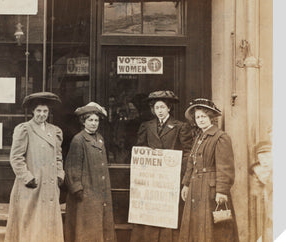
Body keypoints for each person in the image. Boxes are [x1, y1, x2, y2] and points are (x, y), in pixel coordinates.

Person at [130, 90, 193, 242]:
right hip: (152, 180)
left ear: (169, 108)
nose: (159, 111)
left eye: (163, 107)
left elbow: (187, 152)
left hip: (170, 178)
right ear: (153, 109)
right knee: (152, 212)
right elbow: (140, 147)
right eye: (157, 108)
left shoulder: (180, 126)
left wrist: (179, 171)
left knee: (168, 214)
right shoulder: (146, 126)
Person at [4, 91, 65, 242]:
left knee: (49, 225)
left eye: (45, 111)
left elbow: (58, 157)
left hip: (50, 186)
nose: (42, 114)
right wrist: (28, 178)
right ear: (32, 111)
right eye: (38, 111)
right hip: (32, 185)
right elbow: (16, 158)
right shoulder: (25, 129)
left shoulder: (54, 131)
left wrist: (59, 174)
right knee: (31, 224)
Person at [179, 98, 239, 242]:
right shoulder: (199, 137)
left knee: (211, 230)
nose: (200, 120)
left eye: (203, 116)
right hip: (195, 188)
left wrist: (222, 191)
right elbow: (191, 164)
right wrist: (186, 184)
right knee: (195, 227)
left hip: (210, 190)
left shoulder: (220, 137)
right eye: (197, 117)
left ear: (211, 118)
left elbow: (225, 167)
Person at [64, 102, 116, 242]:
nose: (94, 123)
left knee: (100, 227)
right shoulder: (79, 140)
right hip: (86, 193)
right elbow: (72, 167)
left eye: (96, 120)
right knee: (87, 230)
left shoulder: (99, 138)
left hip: (100, 192)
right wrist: (78, 189)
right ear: (83, 122)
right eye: (90, 120)